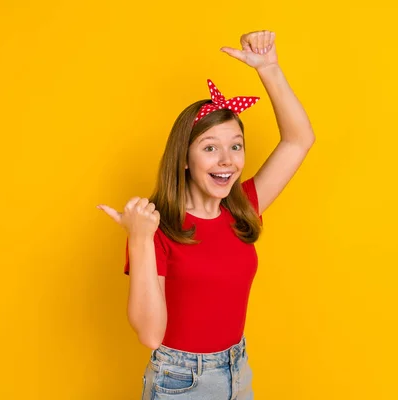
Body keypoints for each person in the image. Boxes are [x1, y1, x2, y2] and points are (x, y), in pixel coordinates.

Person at [97, 30, 315, 400]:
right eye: (210, 147)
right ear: (184, 159)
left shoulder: (243, 208)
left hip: (238, 369)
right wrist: (139, 237)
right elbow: (150, 334)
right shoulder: (159, 228)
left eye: (235, 146)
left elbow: (299, 140)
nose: (227, 160)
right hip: (181, 382)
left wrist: (270, 69)